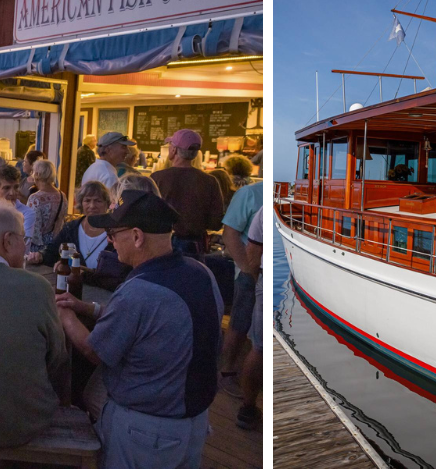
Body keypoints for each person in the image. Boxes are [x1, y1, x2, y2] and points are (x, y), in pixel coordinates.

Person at [56, 190, 223, 468]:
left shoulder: (139, 292)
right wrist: (88, 308)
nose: (110, 242)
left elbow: (95, 350)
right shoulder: (201, 273)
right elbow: (155, 322)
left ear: (136, 236)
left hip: (147, 433)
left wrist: (65, 315)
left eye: (112, 233)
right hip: (193, 423)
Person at [0, 201, 69, 447]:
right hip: (21, 424)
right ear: (8, 241)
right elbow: (57, 358)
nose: (26, 245)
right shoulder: (37, 286)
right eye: (24, 238)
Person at [219, 182, 263, 397]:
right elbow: (230, 234)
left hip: (267, 272)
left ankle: (251, 380)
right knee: (239, 322)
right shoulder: (250, 193)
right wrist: (246, 267)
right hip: (250, 271)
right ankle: (227, 372)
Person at [151, 129, 223, 261]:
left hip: (161, 243)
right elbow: (216, 223)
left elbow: (147, 214)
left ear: (174, 150)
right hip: (195, 246)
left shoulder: (157, 178)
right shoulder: (209, 181)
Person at [27, 181, 112, 269]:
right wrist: (40, 255)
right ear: (81, 204)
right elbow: (52, 250)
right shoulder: (71, 228)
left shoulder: (115, 232)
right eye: (87, 200)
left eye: (98, 201)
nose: (92, 205)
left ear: (107, 204)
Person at [237, 206, 263, 429]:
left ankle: (248, 406)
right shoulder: (264, 212)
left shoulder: (263, 212)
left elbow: (253, 257)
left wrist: (258, 282)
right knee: (260, 347)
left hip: (266, 278)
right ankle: (248, 407)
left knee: (259, 347)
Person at [27, 159, 67, 253]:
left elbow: (33, 228)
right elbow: (62, 220)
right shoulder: (62, 195)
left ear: (37, 175)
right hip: (56, 244)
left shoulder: (35, 198)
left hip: (38, 247)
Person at [0, 164, 35, 242]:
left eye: (16, 187)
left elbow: (23, 245)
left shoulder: (27, 213)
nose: (12, 193)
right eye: (6, 188)